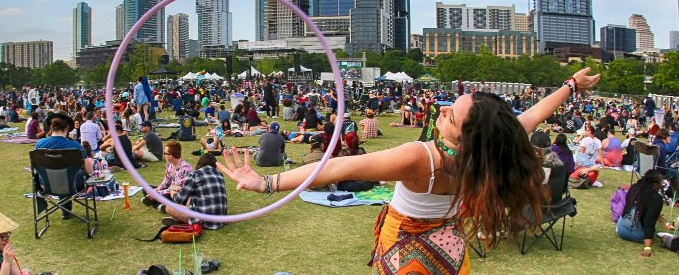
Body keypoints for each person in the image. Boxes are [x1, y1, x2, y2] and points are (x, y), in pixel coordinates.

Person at [215, 68, 601, 273]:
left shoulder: (422, 158)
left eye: (452, 114)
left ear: (467, 136)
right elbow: (534, 114)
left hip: (408, 248)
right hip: (447, 249)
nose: (443, 109)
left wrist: (265, 182)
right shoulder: (491, 150)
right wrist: (571, 85)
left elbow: (334, 167)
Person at [34, 111, 93, 218]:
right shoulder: (75, 146)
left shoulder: (39, 144)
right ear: (67, 128)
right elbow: (90, 170)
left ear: (51, 128)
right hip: (70, 185)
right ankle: (66, 210)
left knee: (60, 173)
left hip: (45, 185)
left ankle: (66, 211)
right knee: (76, 173)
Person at [159, 153, 227, 230]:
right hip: (221, 219)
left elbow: (178, 200)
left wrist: (172, 192)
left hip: (202, 220)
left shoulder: (194, 175)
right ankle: (179, 220)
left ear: (200, 163)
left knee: (169, 207)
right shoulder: (220, 175)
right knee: (192, 197)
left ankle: (182, 221)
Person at [616, 169, 664, 256]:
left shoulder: (634, 187)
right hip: (638, 236)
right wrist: (647, 248)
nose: (662, 184)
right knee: (652, 223)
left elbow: (631, 207)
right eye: (661, 182)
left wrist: (655, 214)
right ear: (655, 184)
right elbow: (649, 223)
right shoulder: (656, 198)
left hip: (621, 230)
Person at [142, 141, 193, 209]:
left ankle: (158, 203)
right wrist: (157, 189)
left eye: (165, 153)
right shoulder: (169, 164)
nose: (164, 155)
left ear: (171, 156)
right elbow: (166, 182)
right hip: (169, 190)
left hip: (178, 195)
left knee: (162, 196)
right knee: (146, 189)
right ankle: (159, 204)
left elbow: (175, 189)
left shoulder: (184, 169)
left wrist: (157, 194)